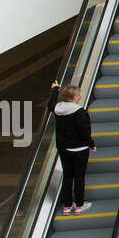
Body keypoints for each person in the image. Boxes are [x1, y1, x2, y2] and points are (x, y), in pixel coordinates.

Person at [47, 82, 95, 215]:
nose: (80, 97)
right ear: (73, 98)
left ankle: (67, 206)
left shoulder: (57, 108)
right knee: (79, 177)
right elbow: (84, 132)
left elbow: (50, 104)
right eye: (78, 95)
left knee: (68, 176)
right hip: (79, 149)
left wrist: (55, 89)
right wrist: (92, 144)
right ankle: (79, 205)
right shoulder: (80, 112)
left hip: (64, 147)